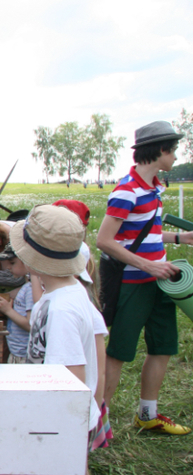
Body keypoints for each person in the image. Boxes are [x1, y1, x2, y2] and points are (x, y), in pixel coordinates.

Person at [96, 120, 192, 435]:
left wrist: (179, 240)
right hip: (133, 285)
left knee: (162, 346)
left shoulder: (153, 188)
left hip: (159, 283)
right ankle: (96, 421)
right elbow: (105, 240)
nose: (176, 157)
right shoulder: (126, 190)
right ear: (160, 150)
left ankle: (147, 414)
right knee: (119, 351)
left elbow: (143, 234)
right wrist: (149, 266)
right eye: (174, 150)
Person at [10, 204, 101, 475]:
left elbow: (70, 381)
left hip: (62, 421)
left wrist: (50, 430)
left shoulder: (60, 311)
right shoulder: (70, 290)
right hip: (67, 420)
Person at [0, 243, 33, 364]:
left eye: (13, 263)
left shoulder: (31, 290)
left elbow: (30, 325)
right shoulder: (27, 287)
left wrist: (8, 310)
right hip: (16, 352)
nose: (8, 267)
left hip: (24, 355)